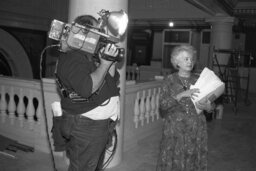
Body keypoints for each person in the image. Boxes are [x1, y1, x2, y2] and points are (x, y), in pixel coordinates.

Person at [53, 15, 121, 171]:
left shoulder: (88, 55)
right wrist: (104, 64)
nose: (100, 35)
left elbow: (111, 79)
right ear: (84, 33)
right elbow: (87, 89)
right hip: (86, 125)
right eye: (97, 31)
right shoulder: (73, 57)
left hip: (97, 124)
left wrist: (110, 61)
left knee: (93, 166)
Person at [156, 45, 215, 171]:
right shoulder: (169, 80)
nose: (190, 62)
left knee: (194, 158)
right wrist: (181, 95)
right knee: (175, 158)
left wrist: (209, 106)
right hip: (175, 128)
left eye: (191, 59)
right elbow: (163, 105)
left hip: (196, 127)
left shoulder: (199, 79)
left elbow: (211, 105)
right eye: (186, 59)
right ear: (177, 62)